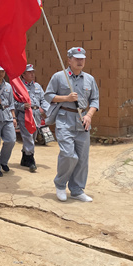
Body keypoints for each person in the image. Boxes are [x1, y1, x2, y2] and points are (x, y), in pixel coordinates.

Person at [44, 47, 99, 203]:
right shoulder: (59, 77)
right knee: (69, 155)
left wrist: (89, 115)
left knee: (82, 158)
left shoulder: (89, 79)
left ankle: (76, 190)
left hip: (83, 121)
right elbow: (48, 96)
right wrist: (66, 98)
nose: (80, 61)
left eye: (82, 58)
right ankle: (60, 184)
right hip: (64, 119)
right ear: (69, 60)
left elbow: (95, 100)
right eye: (76, 58)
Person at [17, 64, 50, 173]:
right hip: (25, 114)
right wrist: (22, 106)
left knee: (33, 136)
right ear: (23, 74)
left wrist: (44, 109)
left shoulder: (37, 86)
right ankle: (31, 159)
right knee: (28, 137)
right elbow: (13, 103)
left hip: (36, 115)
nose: (32, 74)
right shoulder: (19, 87)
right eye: (29, 72)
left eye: (33, 72)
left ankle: (24, 157)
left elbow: (44, 99)